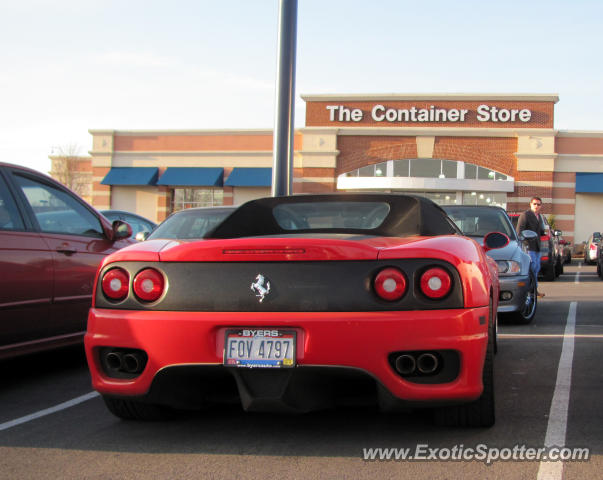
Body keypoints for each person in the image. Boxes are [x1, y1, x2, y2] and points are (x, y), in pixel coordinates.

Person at [516, 196, 546, 297]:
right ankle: (528, 291)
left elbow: (540, 232)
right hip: (529, 247)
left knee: (536, 269)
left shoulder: (539, 216)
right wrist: (524, 244)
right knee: (531, 268)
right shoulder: (525, 215)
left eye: (539, 204)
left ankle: (534, 290)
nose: (536, 206)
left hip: (537, 247)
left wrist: (544, 232)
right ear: (530, 204)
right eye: (535, 204)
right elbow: (519, 232)